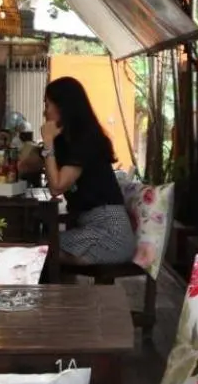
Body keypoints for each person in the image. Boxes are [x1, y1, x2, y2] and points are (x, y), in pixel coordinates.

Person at [39, 76, 134, 265]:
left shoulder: (85, 141)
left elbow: (56, 187)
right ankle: (59, 292)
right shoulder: (69, 141)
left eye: (48, 104)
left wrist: (48, 141)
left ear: (63, 107)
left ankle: (59, 294)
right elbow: (27, 164)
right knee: (39, 247)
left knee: (40, 251)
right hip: (91, 228)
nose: (45, 111)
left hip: (110, 234)